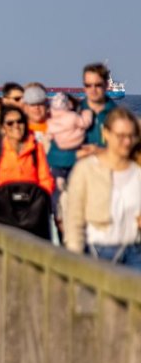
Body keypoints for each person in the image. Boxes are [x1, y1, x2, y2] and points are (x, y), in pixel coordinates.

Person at [64, 108, 141, 269]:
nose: (126, 142)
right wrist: (74, 259)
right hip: (98, 252)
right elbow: (74, 219)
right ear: (106, 134)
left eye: (131, 136)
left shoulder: (138, 172)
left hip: (135, 253)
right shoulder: (87, 169)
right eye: (120, 136)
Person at [0, 105, 55, 238]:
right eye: (10, 123)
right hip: (5, 210)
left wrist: (40, 200)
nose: (16, 126)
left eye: (20, 121)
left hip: (33, 211)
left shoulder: (36, 148)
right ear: (3, 128)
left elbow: (45, 179)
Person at [80, 62, 119, 151]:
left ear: (106, 85)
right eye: (88, 85)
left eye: (98, 85)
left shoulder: (118, 116)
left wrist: (100, 152)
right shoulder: (74, 112)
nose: (93, 89)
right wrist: (75, 155)